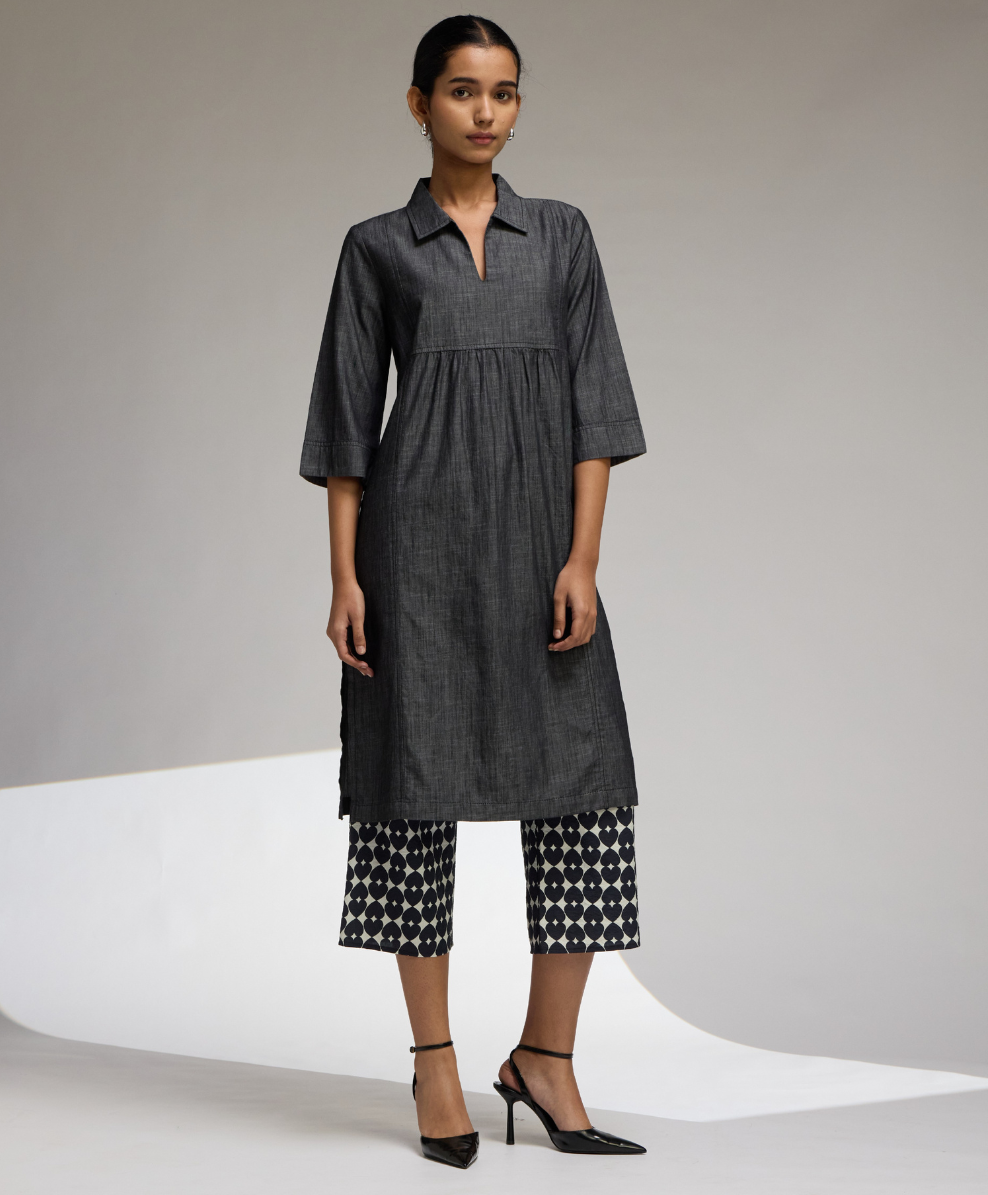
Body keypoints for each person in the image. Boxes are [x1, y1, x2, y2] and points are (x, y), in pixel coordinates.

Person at [300, 14, 647, 1169]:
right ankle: (436, 1063)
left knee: (585, 799)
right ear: (420, 104)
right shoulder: (378, 248)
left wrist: (582, 559)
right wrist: (346, 576)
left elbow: (598, 409)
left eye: (503, 91)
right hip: (418, 560)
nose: (486, 111)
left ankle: (545, 1056)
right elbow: (347, 428)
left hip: (543, 558)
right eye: (462, 90)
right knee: (412, 803)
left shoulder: (564, 236)